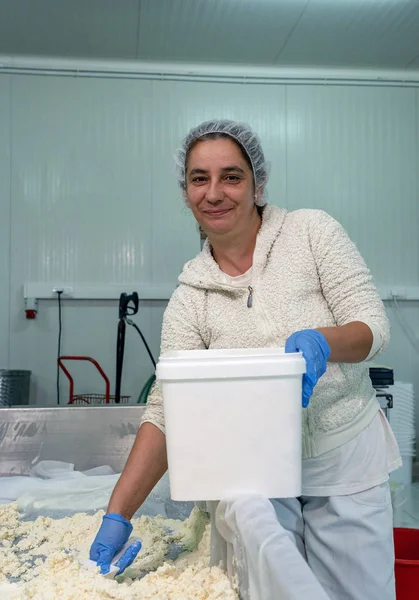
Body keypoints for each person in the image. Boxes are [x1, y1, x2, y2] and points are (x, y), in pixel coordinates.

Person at [90, 120, 401, 599]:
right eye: (199, 179)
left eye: (231, 177)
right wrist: (118, 515)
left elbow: (372, 328)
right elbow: (166, 410)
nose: (214, 193)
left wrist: (323, 340)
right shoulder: (191, 296)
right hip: (253, 466)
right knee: (268, 586)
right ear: (186, 191)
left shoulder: (312, 234)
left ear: (258, 185)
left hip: (342, 454)